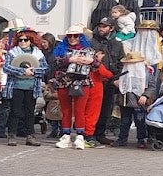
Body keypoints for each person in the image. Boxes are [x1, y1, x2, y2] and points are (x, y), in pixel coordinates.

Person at [51, 24, 102, 149]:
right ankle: (66, 135)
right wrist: (70, 60)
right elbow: (55, 63)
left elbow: (96, 66)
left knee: (80, 110)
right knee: (66, 110)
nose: (72, 38)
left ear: (80, 37)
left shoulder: (88, 50)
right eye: (70, 36)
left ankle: (80, 136)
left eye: (75, 36)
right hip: (64, 82)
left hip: (82, 82)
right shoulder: (61, 49)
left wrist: (91, 61)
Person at [1, 26, 48, 146]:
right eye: (21, 40)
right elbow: (6, 67)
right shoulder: (13, 53)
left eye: (26, 40)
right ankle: (12, 135)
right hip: (16, 86)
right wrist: (22, 71)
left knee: (30, 112)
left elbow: (44, 68)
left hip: (32, 87)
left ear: (31, 40)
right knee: (15, 112)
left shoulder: (38, 53)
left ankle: (30, 136)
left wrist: (33, 71)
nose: (23, 42)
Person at [90, 15, 125, 144]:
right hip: (96, 80)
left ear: (111, 28)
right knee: (94, 109)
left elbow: (122, 62)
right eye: (100, 26)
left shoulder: (117, 43)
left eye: (104, 26)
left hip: (111, 82)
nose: (101, 28)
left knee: (106, 109)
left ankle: (100, 134)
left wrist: (118, 77)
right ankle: (90, 134)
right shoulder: (93, 42)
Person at [115, 50, 152, 148]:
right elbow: (117, 81)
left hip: (139, 100)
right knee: (124, 121)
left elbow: (151, 86)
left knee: (140, 121)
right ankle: (122, 139)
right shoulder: (124, 72)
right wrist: (116, 83)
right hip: (125, 99)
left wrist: (145, 95)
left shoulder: (146, 74)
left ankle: (141, 139)